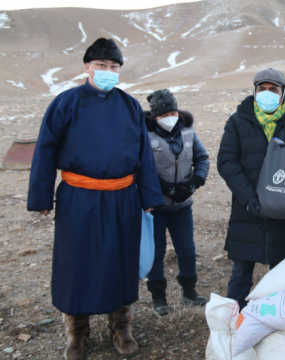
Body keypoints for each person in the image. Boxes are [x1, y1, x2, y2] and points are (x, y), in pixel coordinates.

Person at [27, 38, 163, 360]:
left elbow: (144, 154)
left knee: (120, 260)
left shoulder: (130, 106)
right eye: (102, 65)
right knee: (78, 263)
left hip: (122, 198)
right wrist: (41, 196)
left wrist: (149, 195)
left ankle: (121, 326)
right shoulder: (66, 102)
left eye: (114, 67)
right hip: (79, 197)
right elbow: (45, 149)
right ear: (87, 67)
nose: (108, 71)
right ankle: (76, 331)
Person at [217, 68, 285, 309]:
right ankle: (232, 324)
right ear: (254, 91)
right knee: (240, 274)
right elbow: (227, 162)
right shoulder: (237, 121)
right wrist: (249, 198)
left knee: (282, 274)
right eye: (262, 89)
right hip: (246, 210)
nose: (267, 94)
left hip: (282, 213)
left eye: (273, 89)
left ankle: (278, 320)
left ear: (283, 93)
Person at [143, 89, 209, 315]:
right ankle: (159, 298)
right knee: (156, 252)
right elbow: (141, 167)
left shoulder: (188, 132)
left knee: (187, 249)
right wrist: (162, 188)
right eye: (163, 114)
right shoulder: (145, 135)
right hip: (155, 207)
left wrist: (195, 182)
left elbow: (202, 158)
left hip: (182, 206)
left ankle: (189, 291)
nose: (169, 117)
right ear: (155, 117)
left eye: (173, 111)